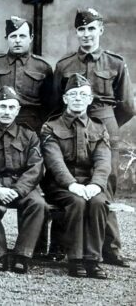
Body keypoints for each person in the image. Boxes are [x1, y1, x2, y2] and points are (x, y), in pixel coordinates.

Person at [53, 8, 135, 267]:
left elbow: (128, 106)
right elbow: (56, 101)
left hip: (104, 122)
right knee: (68, 181)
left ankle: (110, 248)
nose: (86, 34)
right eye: (81, 29)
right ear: (76, 32)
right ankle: (62, 245)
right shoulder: (65, 65)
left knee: (104, 186)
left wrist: (107, 125)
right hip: (70, 124)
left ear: (101, 30)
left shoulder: (115, 63)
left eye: (91, 29)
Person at [40, 73, 111, 279]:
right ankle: (76, 259)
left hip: (90, 184)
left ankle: (93, 260)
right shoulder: (51, 127)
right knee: (77, 202)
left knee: (98, 202)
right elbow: (55, 163)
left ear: (90, 99)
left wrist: (96, 184)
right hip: (61, 187)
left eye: (82, 94)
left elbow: (103, 161)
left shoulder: (98, 127)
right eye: (73, 94)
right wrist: (71, 184)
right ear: (65, 99)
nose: (78, 98)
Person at [0, 86, 46, 273]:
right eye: (2, 107)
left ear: (18, 110)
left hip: (20, 184)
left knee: (38, 204)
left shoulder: (29, 135)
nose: (6, 111)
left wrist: (18, 190)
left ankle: (22, 254)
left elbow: (36, 167)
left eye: (11, 107)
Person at [0, 16, 53, 132]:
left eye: (22, 36)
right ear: (6, 38)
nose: (18, 40)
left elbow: (50, 104)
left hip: (31, 127)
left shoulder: (42, 67)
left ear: (31, 38)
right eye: (13, 36)